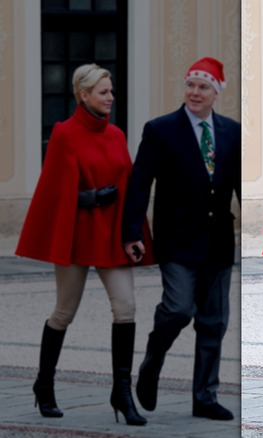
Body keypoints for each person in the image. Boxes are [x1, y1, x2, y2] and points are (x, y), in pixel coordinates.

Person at [16, 64, 149, 426]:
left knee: (127, 308)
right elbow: (55, 190)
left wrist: (133, 233)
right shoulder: (64, 134)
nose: (110, 98)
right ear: (84, 94)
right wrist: (89, 198)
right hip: (75, 232)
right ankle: (44, 384)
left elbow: (129, 186)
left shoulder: (117, 135)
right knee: (64, 312)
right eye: (103, 92)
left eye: (111, 92)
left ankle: (121, 392)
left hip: (111, 235)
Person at [122, 57, 241, 421]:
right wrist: (131, 233)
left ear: (216, 93)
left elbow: (239, 185)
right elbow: (139, 184)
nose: (195, 92)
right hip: (176, 240)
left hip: (218, 241)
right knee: (177, 309)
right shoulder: (160, 130)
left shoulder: (232, 132)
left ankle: (205, 396)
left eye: (203, 87)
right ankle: (152, 363)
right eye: (190, 85)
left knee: (213, 322)